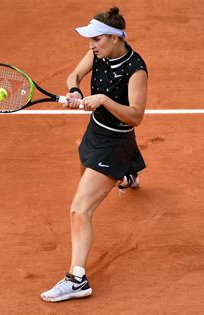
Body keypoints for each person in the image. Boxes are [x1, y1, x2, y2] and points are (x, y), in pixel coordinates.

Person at [40, 7, 148, 303]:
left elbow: (136, 117)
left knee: (79, 209)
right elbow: (74, 74)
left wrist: (102, 100)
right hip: (95, 134)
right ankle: (127, 174)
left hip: (115, 142)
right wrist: (74, 91)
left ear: (114, 39)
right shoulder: (99, 53)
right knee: (85, 172)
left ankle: (77, 279)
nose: (91, 46)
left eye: (96, 40)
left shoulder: (135, 70)